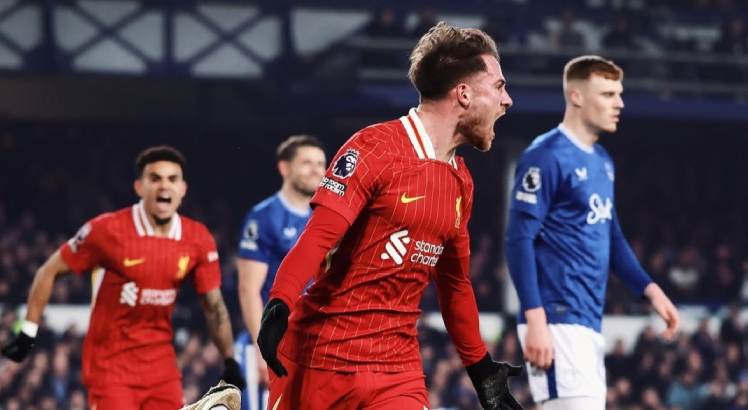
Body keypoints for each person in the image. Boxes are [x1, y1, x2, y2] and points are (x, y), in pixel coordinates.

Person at [258, 22, 522, 410]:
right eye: (499, 86)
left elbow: (455, 286)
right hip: (321, 357)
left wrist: (481, 368)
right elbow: (318, 237)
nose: (507, 100)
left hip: (397, 369)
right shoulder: (374, 148)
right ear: (463, 93)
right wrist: (279, 301)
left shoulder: (461, 181)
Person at [1, 146, 245, 409]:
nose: (165, 186)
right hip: (110, 364)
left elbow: (214, 306)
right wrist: (28, 332)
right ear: (139, 187)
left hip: (160, 363)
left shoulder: (197, 239)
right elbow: (48, 271)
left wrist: (229, 359)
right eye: (155, 178)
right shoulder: (107, 230)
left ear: (183, 189)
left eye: (172, 179)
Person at [505, 55, 680, 410]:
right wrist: (536, 319)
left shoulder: (602, 160)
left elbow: (611, 236)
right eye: (608, 94)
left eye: (619, 93)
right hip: (558, 319)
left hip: (587, 321)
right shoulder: (546, 156)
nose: (620, 103)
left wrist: (650, 289)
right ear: (576, 96)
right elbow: (518, 238)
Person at [234, 135, 326, 410]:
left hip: (314, 341)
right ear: (284, 168)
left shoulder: (329, 217)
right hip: (273, 338)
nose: (316, 170)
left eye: (321, 164)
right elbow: (249, 289)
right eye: (307, 163)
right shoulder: (263, 217)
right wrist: (263, 348)